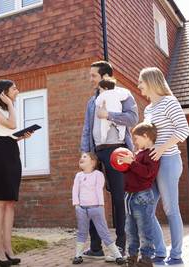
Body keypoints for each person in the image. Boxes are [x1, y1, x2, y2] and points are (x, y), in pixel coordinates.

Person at [80, 61, 139, 258]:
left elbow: (132, 118)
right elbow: (87, 129)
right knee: (92, 198)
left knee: (118, 198)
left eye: (93, 75)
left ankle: (121, 244)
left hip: (118, 151)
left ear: (105, 77)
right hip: (97, 153)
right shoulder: (91, 101)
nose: (90, 79)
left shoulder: (123, 95)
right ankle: (96, 247)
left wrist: (109, 115)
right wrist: (86, 154)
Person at [138, 67, 189, 265]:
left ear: (151, 81)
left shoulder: (170, 102)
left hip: (168, 161)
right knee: (146, 209)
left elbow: (183, 131)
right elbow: (148, 137)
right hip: (151, 164)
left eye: (141, 81)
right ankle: (160, 251)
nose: (139, 85)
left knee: (170, 209)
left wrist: (161, 148)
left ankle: (175, 255)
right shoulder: (148, 108)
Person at [0, 80, 33, 267]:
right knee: (0, 200)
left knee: (11, 202)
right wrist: (10, 104)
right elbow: (12, 125)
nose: (17, 90)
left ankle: (8, 248)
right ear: (3, 92)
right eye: (14, 88)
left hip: (12, 152)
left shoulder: (7, 109)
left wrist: (22, 137)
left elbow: (11, 134)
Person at [118, 122, 160, 267]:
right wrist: (124, 165)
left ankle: (147, 258)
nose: (134, 142)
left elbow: (148, 174)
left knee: (144, 229)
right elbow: (131, 172)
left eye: (136, 139)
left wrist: (132, 163)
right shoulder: (137, 154)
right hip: (129, 197)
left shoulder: (152, 154)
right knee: (130, 230)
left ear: (146, 136)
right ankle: (132, 256)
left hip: (142, 196)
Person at [72, 152, 124, 265]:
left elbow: (99, 190)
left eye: (85, 157)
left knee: (104, 232)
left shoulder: (98, 175)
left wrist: (101, 206)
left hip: (96, 208)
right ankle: (78, 255)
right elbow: (75, 191)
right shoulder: (78, 176)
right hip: (81, 209)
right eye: (81, 157)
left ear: (93, 162)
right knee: (82, 232)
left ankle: (118, 256)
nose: (81, 158)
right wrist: (76, 205)